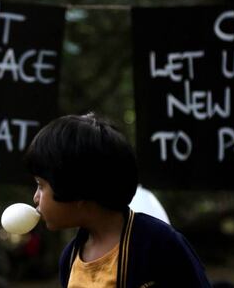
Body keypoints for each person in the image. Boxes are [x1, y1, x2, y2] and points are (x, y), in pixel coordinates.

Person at [24, 113, 212, 288]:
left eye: (41, 185)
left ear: (76, 188)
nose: (36, 197)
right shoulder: (69, 258)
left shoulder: (159, 244)